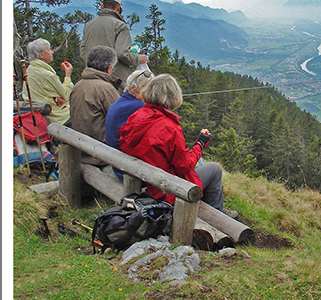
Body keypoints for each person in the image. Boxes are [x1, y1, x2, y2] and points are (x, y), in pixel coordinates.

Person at [118, 74, 231, 215]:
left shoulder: (138, 116)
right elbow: (184, 166)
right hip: (164, 189)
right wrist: (200, 143)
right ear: (173, 97)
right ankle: (216, 216)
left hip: (145, 182)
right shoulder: (169, 127)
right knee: (214, 169)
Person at [79, 0, 148, 91]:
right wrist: (138, 59)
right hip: (115, 80)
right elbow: (122, 53)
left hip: (90, 79)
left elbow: (83, 52)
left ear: (102, 6)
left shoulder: (88, 25)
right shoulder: (120, 26)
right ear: (119, 7)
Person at [70, 45, 120, 165]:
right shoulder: (105, 89)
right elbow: (120, 120)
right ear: (109, 68)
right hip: (98, 154)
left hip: (80, 148)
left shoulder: (78, 85)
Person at [23, 38, 74, 125]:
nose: (52, 52)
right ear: (41, 55)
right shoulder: (47, 74)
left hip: (38, 115)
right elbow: (67, 94)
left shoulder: (29, 71)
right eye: (49, 49)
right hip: (56, 117)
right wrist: (68, 76)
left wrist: (54, 98)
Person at [105, 68, 155, 151]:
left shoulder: (121, 102)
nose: (150, 93)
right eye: (146, 88)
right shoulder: (138, 106)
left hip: (111, 150)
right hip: (121, 154)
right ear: (132, 88)